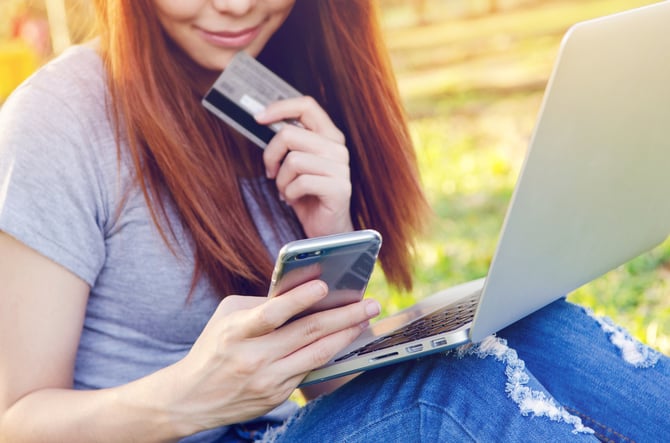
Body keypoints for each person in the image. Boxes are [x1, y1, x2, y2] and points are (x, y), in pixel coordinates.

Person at [0, 1, 668, 442]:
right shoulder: (59, 118)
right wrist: (187, 397)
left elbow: (330, 385)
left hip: (287, 428)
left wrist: (330, 231)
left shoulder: (280, 89)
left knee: (533, 327)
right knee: (445, 393)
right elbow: (14, 419)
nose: (234, 5)